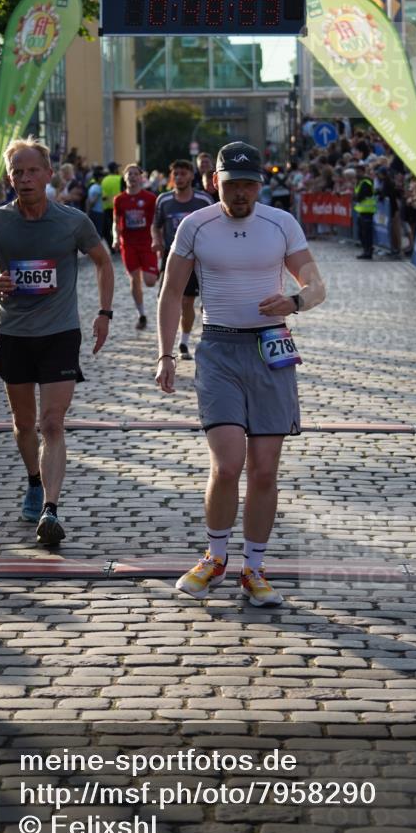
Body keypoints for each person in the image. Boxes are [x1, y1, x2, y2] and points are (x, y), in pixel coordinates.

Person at [156, 141, 326, 607]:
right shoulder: (195, 225)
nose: (241, 194)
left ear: (260, 185)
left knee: (265, 470)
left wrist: (293, 302)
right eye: (233, 185)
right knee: (228, 464)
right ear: (217, 183)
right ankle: (214, 557)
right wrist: (166, 354)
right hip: (219, 349)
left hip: (270, 348)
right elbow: (171, 293)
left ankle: (254, 568)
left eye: (250, 185)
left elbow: (316, 286)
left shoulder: (281, 224)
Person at [0, 137, 114, 545]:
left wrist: (104, 313)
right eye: (18, 171)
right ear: (9, 177)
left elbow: (103, 262)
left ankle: (51, 508)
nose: (25, 178)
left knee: (52, 421)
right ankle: (34, 480)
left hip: (60, 333)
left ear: (49, 175)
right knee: (23, 422)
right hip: (14, 333)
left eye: (33, 170)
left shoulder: (72, 221)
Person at [151, 159, 212, 359]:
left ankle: (184, 341)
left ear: (191, 176)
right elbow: (156, 225)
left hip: (198, 257)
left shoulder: (203, 200)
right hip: (172, 256)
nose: (178, 178)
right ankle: (170, 344)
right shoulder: (164, 200)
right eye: (175, 174)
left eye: (183, 174)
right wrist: (156, 240)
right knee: (167, 299)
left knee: (187, 302)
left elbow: (215, 225)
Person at [113, 163, 158, 330]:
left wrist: (158, 239)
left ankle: (155, 271)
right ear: (125, 178)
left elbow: (156, 221)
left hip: (147, 243)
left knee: (150, 282)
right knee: (134, 279)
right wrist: (116, 238)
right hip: (129, 244)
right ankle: (142, 314)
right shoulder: (119, 199)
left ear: (141, 177)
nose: (132, 177)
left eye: (135, 174)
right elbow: (116, 222)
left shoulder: (150, 198)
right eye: (129, 174)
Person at [353, 162, 377, 259]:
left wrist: (355, 197)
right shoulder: (360, 182)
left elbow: (359, 197)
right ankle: (365, 251)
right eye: (356, 172)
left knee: (366, 233)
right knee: (362, 233)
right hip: (362, 211)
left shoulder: (366, 182)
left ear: (363, 172)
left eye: (358, 172)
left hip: (367, 211)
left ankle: (368, 251)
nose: (357, 174)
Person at [101, 161, 123, 252]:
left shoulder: (104, 180)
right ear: (115, 169)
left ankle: (114, 247)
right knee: (120, 227)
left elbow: (103, 196)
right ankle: (121, 246)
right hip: (119, 206)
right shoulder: (120, 178)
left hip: (107, 208)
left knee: (111, 228)